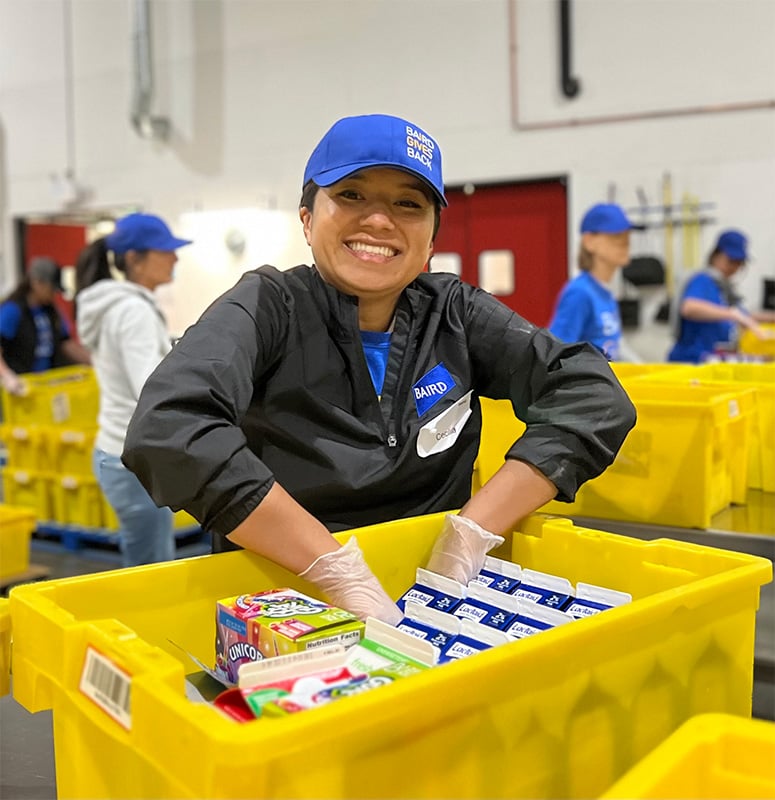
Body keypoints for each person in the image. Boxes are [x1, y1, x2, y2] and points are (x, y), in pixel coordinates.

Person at [122, 114, 636, 623]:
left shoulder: (455, 315)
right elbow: (170, 427)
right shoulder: (267, 307)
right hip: (280, 607)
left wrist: (469, 537)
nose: (379, 221)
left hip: (434, 599)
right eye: (351, 195)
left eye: (408, 204)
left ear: (431, 241)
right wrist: (336, 571)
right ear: (307, 218)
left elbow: (592, 396)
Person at [75, 213, 192, 567]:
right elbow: (150, 388)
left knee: (146, 557)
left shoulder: (117, 307)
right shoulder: (132, 312)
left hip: (117, 452)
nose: (175, 258)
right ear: (134, 258)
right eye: (165, 250)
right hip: (131, 459)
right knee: (150, 566)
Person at [668, 229, 775, 363]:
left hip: (714, 358)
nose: (734, 267)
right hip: (692, 359)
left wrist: (771, 317)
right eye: (731, 261)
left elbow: (745, 315)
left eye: (739, 263)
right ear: (716, 255)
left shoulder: (723, 288)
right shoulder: (702, 280)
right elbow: (689, 308)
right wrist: (732, 314)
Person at [548, 203, 633, 361]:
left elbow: (616, 347)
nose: (625, 243)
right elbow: (556, 354)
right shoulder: (580, 293)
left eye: (627, 236)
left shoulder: (606, 294)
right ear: (589, 242)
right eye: (616, 237)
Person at [0, 257, 91, 395]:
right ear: (37, 283)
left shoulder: (52, 312)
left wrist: (94, 362)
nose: (54, 294)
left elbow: (65, 343)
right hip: (19, 388)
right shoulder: (13, 311)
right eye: (51, 288)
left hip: (45, 386)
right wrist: (7, 375)